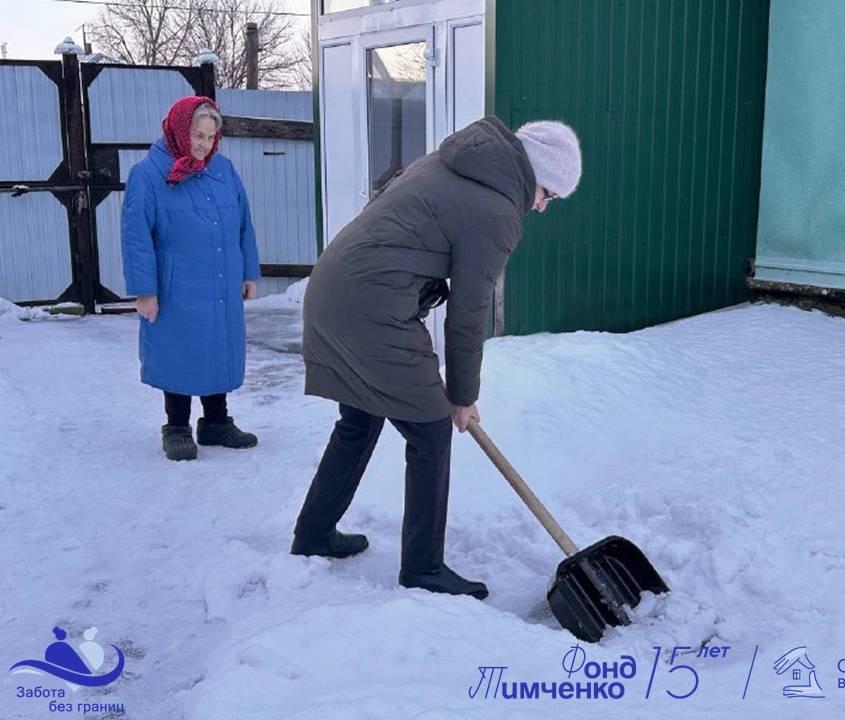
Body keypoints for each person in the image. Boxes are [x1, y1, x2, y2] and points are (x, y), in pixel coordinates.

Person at [291, 117, 582, 599]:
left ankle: (313, 533)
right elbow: (469, 312)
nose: (542, 206)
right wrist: (463, 396)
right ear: (536, 173)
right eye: (548, 194)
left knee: (359, 418)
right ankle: (423, 568)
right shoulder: (497, 210)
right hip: (371, 308)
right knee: (429, 429)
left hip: (333, 291)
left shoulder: (455, 162)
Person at [121, 96, 261, 461]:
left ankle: (215, 421)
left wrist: (248, 271)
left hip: (221, 280)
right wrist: (144, 291)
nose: (204, 145)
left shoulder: (223, 170)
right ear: (180, 131)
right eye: (198, 136)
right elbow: (136, 236)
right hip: (176, 285)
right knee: (179, 350)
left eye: (211, 138)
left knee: (218, 346)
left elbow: (243, 223)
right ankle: (177, 426)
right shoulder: (148, 174)